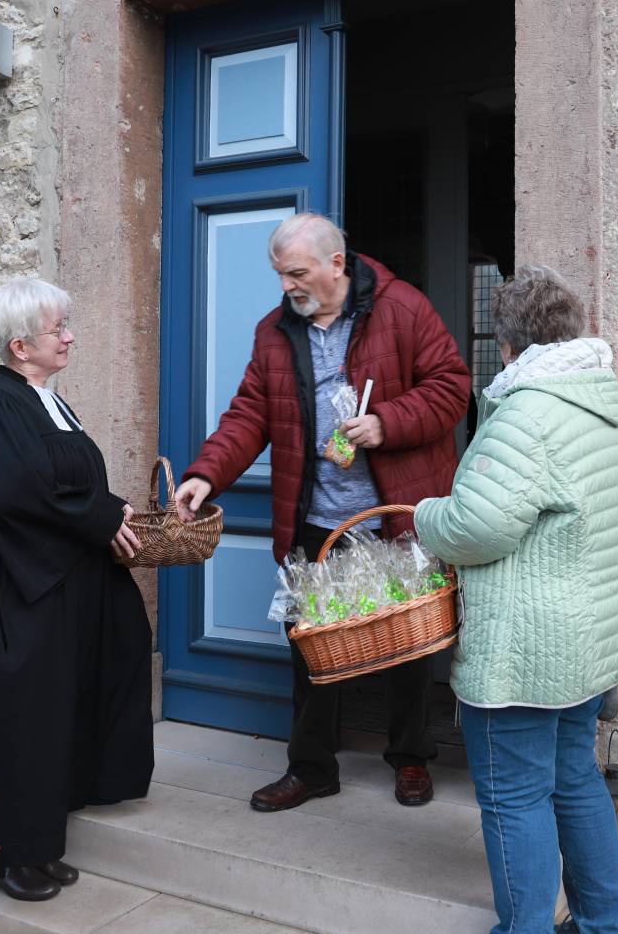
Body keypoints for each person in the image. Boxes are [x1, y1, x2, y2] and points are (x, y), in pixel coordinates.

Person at [174, 213, 471, 812]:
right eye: (281, 274)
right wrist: (206, 474)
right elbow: (249, 415)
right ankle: (311, 767)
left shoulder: (403, 308)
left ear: (336, 264)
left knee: (407, 645)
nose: (287, 285)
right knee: (310, 645)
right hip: (314, 517)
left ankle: (411, 757)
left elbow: (452, 387)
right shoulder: (274, 332)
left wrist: (387, 422)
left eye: (297, 273)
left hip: (394, 513)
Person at [412, 265, 618, 934]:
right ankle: (606, 923)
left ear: (508, 344)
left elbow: (479, 526)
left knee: (515, 796)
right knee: (574, 778)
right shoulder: (595, 401)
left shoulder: (529, 410)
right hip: (585, 639)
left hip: (528, 650)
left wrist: (428, 514)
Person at [0, 276, 152, 902]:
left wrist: (113, 511)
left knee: (69, 705)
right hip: (24, 593)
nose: (69, 336)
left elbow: (73, 482)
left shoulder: (47, 398)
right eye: (57, 328)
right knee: (26, 722)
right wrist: (99, 521)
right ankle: (11, 858)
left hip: (66, 584)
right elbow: (18, 495)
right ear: (19, 346)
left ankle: (39, 846)